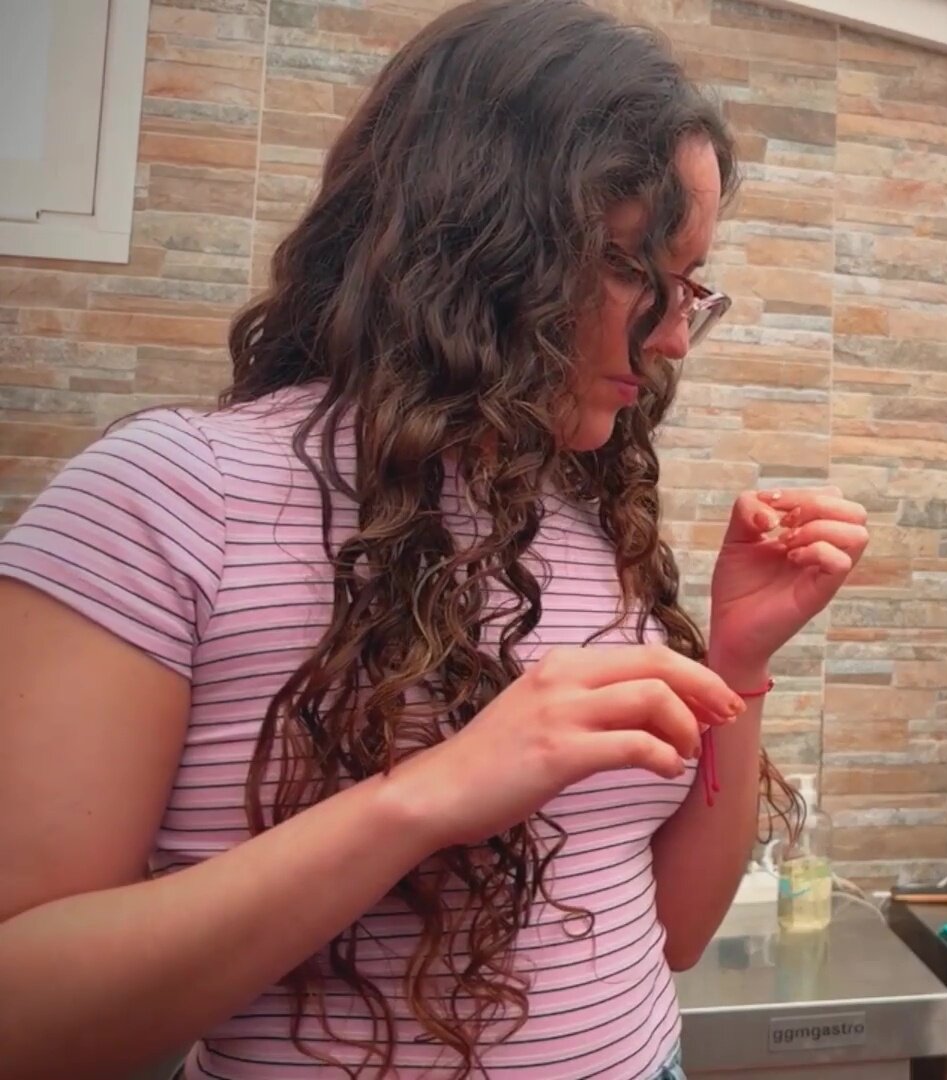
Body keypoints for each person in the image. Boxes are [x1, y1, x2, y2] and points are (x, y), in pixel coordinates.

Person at [0, 4, 869, 1078]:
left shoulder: (582, 511)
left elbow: (676, 933)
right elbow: (24, 1012)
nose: (677, 337)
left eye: (690, 285)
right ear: (484, 238)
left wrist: (737, 660)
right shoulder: (169, 499)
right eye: (637, 269)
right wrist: (424, 800)